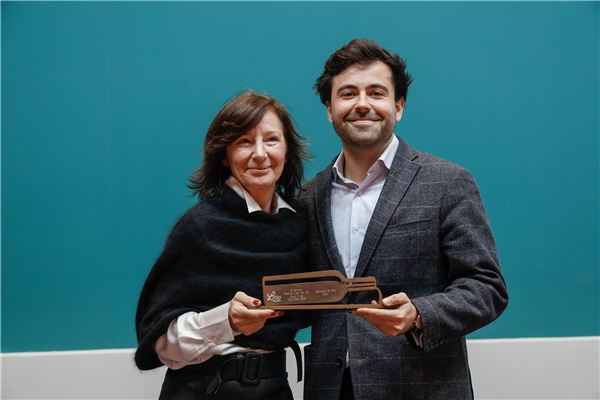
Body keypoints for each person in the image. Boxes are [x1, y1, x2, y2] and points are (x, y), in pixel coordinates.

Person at [298, 38, 508, 399]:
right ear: (330, 110)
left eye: (376, 93)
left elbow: (487, 288)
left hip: (421, 387)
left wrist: (418, 314)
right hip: (330, 389)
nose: (362, 104)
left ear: (398, 106)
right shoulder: (307, 196)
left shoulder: (447, 182)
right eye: (347, 94)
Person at [135, 91, 311, 399]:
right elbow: (161, 343)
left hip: (276, 387)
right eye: (244, 141)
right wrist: (226, 321)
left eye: (272, 140)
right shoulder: (199, 226)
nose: (260, 153)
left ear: (287, 152)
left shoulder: (301, 225)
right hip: (204, 389)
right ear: (225, 156)